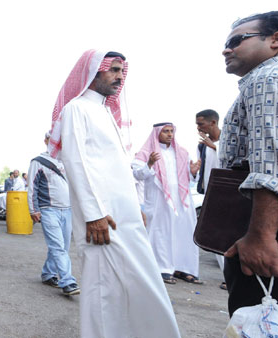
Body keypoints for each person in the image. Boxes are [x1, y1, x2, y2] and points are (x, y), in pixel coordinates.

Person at [48, 50, 180, 337]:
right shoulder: (77, 109)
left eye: (122, 71)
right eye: (114, 70)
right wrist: (93, 214)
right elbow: (77, 163)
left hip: (124, 214)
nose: (120, 77)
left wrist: (136, 208)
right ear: (95, 70)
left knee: (137, 281)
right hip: (100, 217)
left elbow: (116, 169)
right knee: (102, 286)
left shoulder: (107, 112)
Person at [218, 11, 278, 316]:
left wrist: (261, 237)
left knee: (258, 316)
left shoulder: (267, 78)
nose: (227, 49)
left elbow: (269, 160)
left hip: (260, 231)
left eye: (237, 40)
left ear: (275, 40)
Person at [132, 123, 201, 285]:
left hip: (182, 200)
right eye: (166, 131)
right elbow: (138, 175)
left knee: (184, 232)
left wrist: (192, 173)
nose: (170, 134)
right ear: (157, 133)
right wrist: (149, 163)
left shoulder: (182, 153)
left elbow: (187, 179)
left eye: (172, 131)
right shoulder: (145, 153)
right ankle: (162, 268)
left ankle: (184, 268)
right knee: (161, 234)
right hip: (158, 201)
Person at [28, 133, 79, 296]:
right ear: (46, 141)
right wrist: (33, 210)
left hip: (68, 210)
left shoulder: (68, 160)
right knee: (58, 246)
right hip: (48, 209)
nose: (58, 142)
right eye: (53, 139)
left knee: (62, 246)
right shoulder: (38, 161)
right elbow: (32, 187)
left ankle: (48, 273)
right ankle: (67, 281)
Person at [195, 109, 227, 290]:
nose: (198, 128)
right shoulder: (202, 146)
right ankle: (227, 275)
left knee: (229, 235)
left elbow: (232, 160)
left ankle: (231, 276)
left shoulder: (227, 140)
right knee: (216, 238)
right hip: (210, 195)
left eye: (201, 124)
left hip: (228, 196)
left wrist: (214, 146)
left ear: (213, 123)